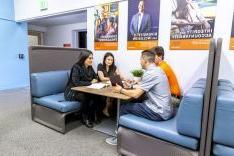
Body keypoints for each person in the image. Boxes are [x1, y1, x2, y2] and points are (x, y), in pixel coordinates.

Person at [107, 50, 173, 145]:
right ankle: (127, 133)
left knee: (123, 107)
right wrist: (131, 85)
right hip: (166, 109)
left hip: (159, 112)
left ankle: (119, 139)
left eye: (140, 59)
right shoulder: (158, 70)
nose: (139, 61)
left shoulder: (150, 73)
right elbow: (145, 86)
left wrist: (121, 90)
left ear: (145, 60)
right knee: (133, 102)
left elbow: (136, 94)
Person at [64, 50, 102, 128]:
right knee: (86, 97)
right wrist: (90, 82)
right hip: (72, 91)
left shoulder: (90, 67)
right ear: (83, 58)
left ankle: (93, 115)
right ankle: (85, 118)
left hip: (85, 90)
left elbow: (95, 77)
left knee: (97, 96)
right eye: (89, 58)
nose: (91, 60)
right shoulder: (76, 67)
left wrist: (95, 80)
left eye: (92, 58)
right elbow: (76, 82)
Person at [97, 52, 121, 117]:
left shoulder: (114, 67)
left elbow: (119, 76)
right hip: (101, 86)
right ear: (105, 59)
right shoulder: (100, 66)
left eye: (111, 60)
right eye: (108, 59)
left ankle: (107, 109)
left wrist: (124, 78)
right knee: (109, 95)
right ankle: (105, 109)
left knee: (115, 93)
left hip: (109, 86)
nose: (110, 61)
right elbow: (102, 78)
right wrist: (113, 78)